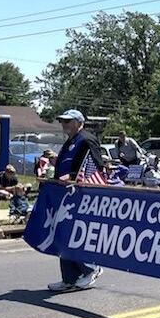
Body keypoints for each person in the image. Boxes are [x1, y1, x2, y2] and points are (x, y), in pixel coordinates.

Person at [48, 109, 106, 293]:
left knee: (74, 234)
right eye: (62, 121)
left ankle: (91, 268)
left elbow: (96, 167)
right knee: (62, 234)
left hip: (80, 195)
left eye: (67, 121)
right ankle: (69, 278)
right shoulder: (70, 141)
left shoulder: (86, 139)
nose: (63, 124)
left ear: (78, 122)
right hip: (65, 194)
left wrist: (72, 176)